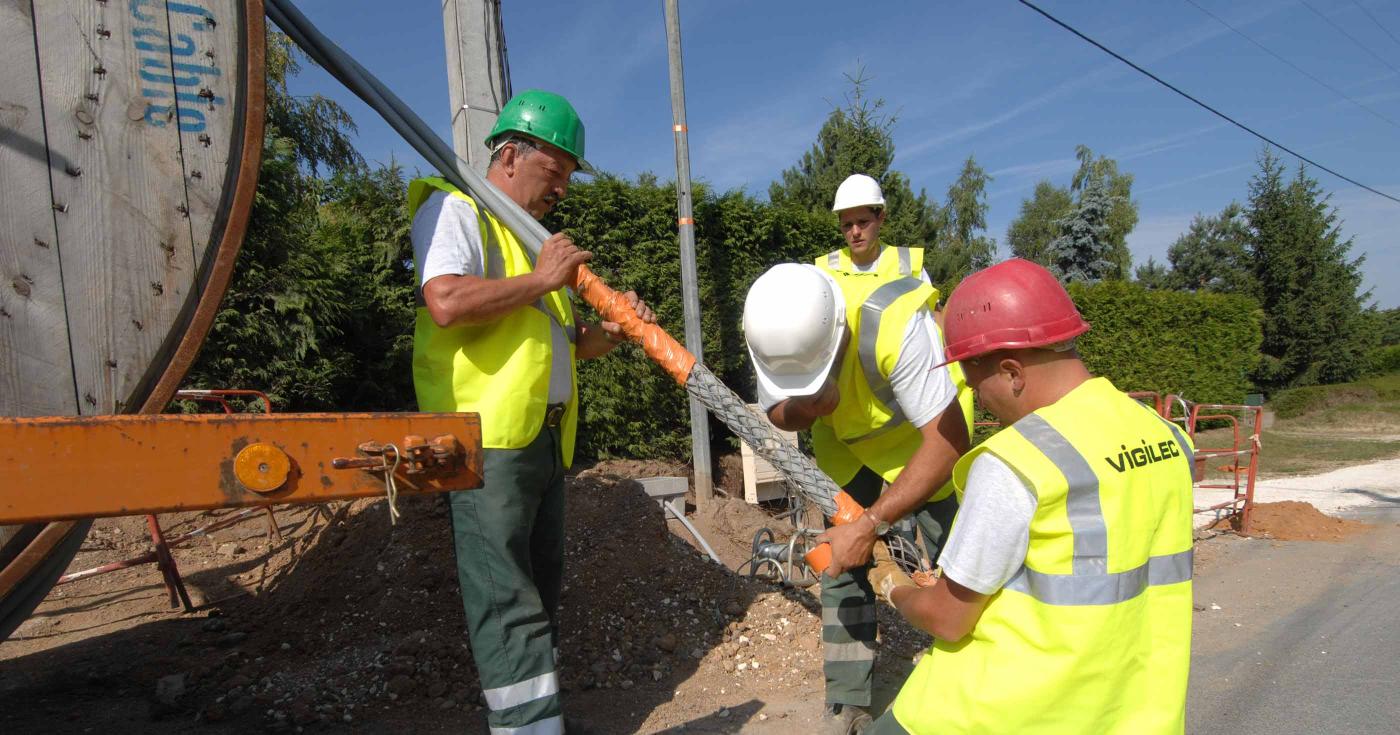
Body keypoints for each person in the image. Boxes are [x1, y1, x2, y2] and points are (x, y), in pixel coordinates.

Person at [409, 89, 654, 735]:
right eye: (559, 171)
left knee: (537, 591)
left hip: (540, 442)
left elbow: (566, 345)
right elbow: (448, 301)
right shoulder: (457, 209)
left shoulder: (529, 242)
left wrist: (616, 330)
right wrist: (545, 281)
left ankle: (535, 722)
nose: (564, 190)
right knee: (506, 598)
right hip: (486, 440)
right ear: (512, 154)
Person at [865, 259, 1195, 734]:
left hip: (999, 714)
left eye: (977, 385)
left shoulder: (1017, 460)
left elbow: (948, 618)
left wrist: (891, 584)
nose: (982, 402)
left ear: (1012, 372)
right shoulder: (1165, 435)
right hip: (1132, 714)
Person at [743, 258, 970, 734]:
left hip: (926, 441)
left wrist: (871, 524)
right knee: (841, 563)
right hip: (846, 445)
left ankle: (967, 685)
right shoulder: (778, 322)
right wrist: (807, 408)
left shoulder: (896, 326)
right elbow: (778, 414)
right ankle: (848, 700)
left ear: (837, 337)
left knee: (961, 563)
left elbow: (948, 442)